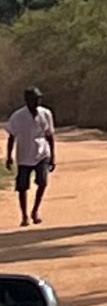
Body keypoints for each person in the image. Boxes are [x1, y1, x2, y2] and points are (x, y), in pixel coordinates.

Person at [4, 91, 55, 228]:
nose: (36, 102)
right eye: (33, 99)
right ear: (27, 100)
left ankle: (35, 211)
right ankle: (24, 215)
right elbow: (11, 137)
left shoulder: (45, 113)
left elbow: (49, 135)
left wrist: (52, 157)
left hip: (42, 153)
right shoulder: (18, 116)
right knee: (22, 187)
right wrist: (9, 156)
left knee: (42, 183)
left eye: (38, 99)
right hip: (24, 155)